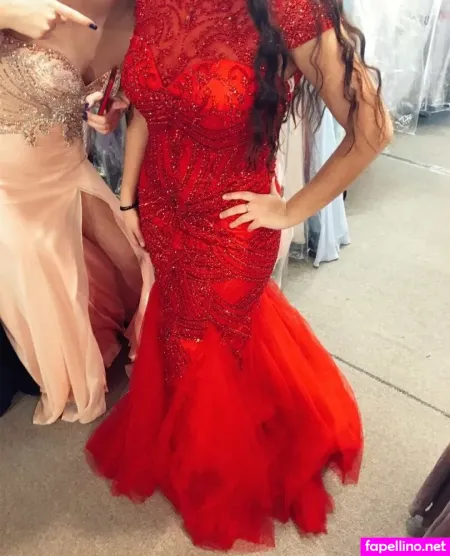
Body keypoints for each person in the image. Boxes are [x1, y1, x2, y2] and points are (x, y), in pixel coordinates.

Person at [86, 0, 393, 549]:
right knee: (180, 333)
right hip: (161, 209)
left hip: (231, 226)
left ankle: (217, 468)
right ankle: (193, 441)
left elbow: (373, 130)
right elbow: (149, 107)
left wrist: (291, 209)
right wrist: (128, 195)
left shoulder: (289, 8)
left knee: (211, 342)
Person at [0, 0, 152, 425]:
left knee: (135, 261)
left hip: (70, 169)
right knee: (48, 289)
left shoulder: (138, 17)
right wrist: (6, 13)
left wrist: (107, 111)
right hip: (12, 190)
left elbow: (114, 101)